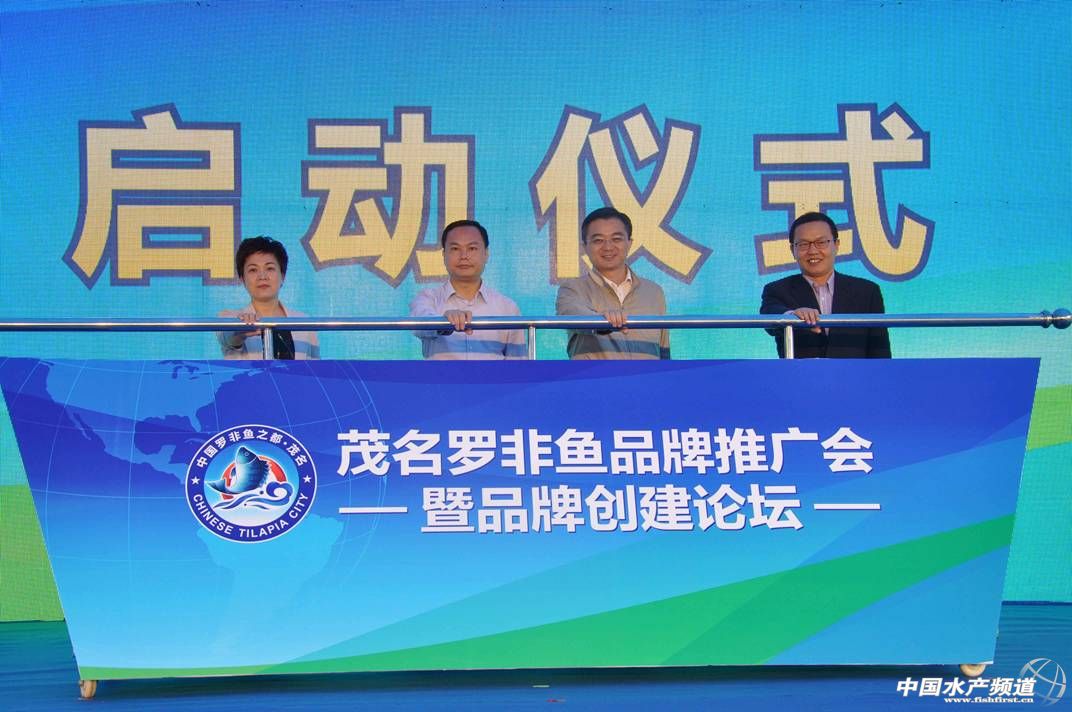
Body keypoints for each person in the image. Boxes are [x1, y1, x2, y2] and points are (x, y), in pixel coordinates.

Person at [760, 212, 890, 358]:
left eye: (821, 242)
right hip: (800, 372)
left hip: (854, 372)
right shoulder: (777, 290)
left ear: (836, 245)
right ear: (793, 250)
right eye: (803, 244)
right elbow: (769, 319)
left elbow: (881, 352)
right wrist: (792, 316)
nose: (813, 251)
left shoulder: (867, 291)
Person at [555, 207, 670, 359]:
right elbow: (572, 314)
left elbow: (664, 352)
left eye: (616, 239)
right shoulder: (572, 289)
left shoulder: (653, 291)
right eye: (598, 240)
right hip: (595, 375)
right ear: (585, 247)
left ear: (629, 243)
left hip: (647, 375)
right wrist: (600, 321)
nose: (608, 247)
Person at [410, 220, 525, 360]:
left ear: (486, 254)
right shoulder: (428, 298)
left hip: (492, 376)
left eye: (472, 248)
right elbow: (419, 325)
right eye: (455, 249)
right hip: (442, 375)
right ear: (444, 255)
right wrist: (442, 323)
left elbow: (518, 364)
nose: (464, 256)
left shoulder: (507, 308)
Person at [218, 236, 320, 359]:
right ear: (242, 279)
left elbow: (314, 367)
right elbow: (229, 337)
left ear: (282, 276)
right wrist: (239, 331)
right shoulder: (231, 318)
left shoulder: (303, 322)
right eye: (253, 270)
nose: (262, 276)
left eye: (270, 268)